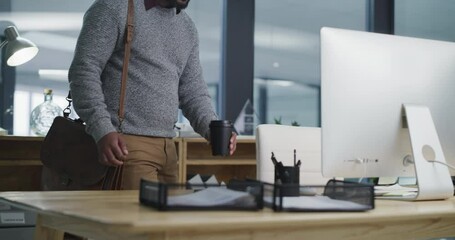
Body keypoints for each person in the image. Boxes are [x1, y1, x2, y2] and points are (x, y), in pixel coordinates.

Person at [68, 0, 237, 189]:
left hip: (169, 150)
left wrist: (211, 128)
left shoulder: (187, 28)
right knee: (135, 218)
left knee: (166, 218)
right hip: (126, 146)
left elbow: (193, 91)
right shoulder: (114, 7)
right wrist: (102, 129)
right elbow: (83, 72)